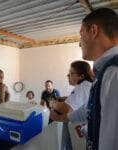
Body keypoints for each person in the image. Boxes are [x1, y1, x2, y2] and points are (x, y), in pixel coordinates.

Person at [51, 8, 118, 150]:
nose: (80, 43)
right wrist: (67, 118)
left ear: (93, 31)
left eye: (81, 34)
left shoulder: (114, 73)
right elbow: (91, 108)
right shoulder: (103, 72)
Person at [53, 60, 93, 150]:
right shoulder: (88, 85)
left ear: (81, 76)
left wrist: (53, 104)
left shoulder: (82, 86)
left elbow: (65, 109)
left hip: (79, 131)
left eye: (71, 73)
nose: (68, 76)